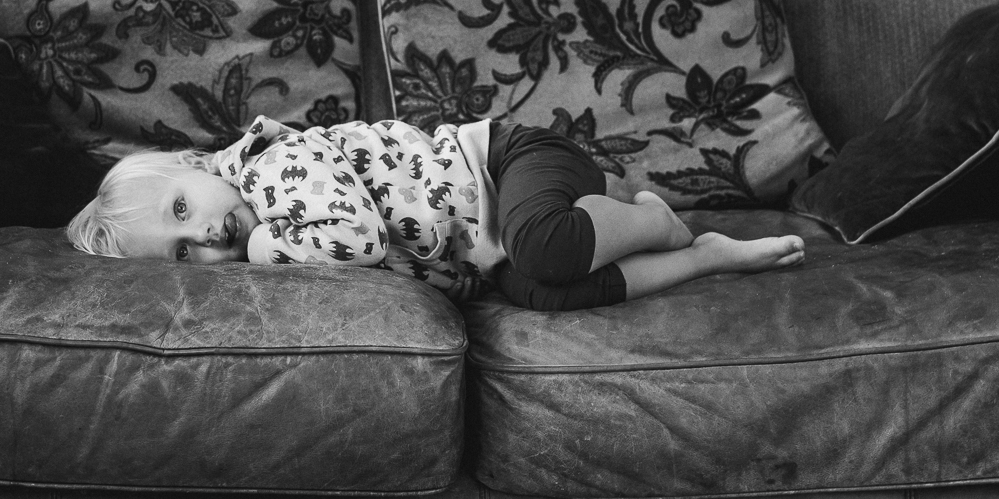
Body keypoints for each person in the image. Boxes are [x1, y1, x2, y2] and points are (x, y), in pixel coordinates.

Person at [66, 114, 803, 310]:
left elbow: (354, 240)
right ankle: (701, 254)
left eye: (183, 208)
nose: (204, 234)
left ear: (197, 167)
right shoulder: (269, 228)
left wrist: (259, 249)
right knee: (539, 289)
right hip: (484, 240)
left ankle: (650, 216)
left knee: (543, 248)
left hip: (510, 159)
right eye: (182, 253)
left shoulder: (270, 171)